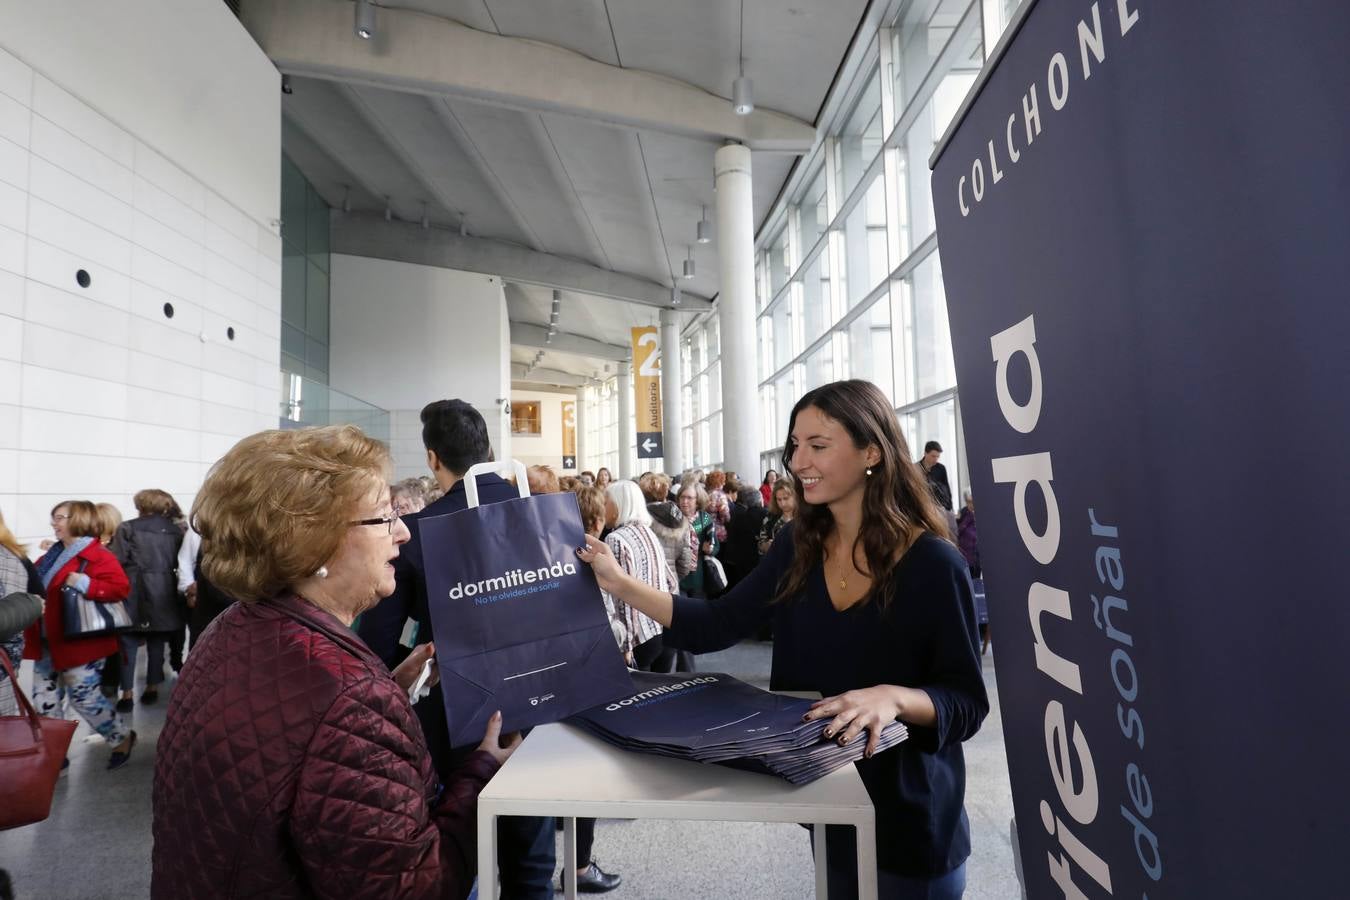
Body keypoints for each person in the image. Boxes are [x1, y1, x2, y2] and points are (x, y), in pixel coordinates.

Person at [577, 380, 988, 900]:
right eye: (796, 445)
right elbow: (715, 624)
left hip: (911, 819)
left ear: (872, 453)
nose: (800, 461)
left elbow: (966, 702)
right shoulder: (799, 544)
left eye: (819, 445)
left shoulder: (932, 563)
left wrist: (896, 697)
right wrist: (619, 583)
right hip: (827, 802)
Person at [152, 425, 519, 899]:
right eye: (385, 517)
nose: (404, 532)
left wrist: (388, 690)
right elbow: (413, 888)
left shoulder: (229, 630)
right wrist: (482, 770)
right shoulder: (348, 696)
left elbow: (295, 744)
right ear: (315, 542)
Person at [356, 399, 557, 900]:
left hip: (450, 725)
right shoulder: (540, 520)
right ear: (489, 449)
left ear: (432, 459)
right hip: (537, 709)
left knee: (456, 859)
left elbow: (378, 648)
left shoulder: (416, 535)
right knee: (530, 862)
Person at [23, 500, 136, 769]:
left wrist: (85, 583)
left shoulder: (97, 555)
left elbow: (120, 589)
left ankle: (121, 737)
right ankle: (55, 754)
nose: (54, 523)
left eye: (60, 517)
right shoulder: (52, 555)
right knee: (45, 700)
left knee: (83, 697)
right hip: (48, 642)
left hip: (81, 643)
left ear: (79, 520)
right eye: (54, 518)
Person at [111, 489, 185, 711]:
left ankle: (126, 693)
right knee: (156, 644)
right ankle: (152, 687)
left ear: (140, 505)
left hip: (133, 590)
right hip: (165, 592)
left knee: (128, 643)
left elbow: (117, 560)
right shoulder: (176, 531)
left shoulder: (127, 527)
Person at [602, 480, 678, 672]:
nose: (602, 508)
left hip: (640, 638)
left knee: (640, 697)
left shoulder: (616, 539)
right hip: (664, 628)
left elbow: (625, 596)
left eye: (606, 502)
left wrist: (626, 646)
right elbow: (670, 582)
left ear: (619, 505)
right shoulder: (649, 533)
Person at [642, 473, 697, 583]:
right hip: (671, 583)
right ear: (665, 491)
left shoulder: (641, 519)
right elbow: (686, 561)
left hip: (646, 583)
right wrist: (675, 576)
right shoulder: (680, 518)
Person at [720, 480, 767, 590]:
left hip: (739, 559)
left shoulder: (739, 515)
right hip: (755, 558)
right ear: (760, 500)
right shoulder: (765, 514)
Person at [675, 480, 719, 599]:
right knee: (680, 613)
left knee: (697, 612)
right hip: (676, 576)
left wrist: (710, 549)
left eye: (689, 498)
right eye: (682, 497)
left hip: (698, 576)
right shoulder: (673, 518)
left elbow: (715, 546)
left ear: (698, 501)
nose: (684, 501)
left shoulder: (704, 519)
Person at [759, 479, 799, 558]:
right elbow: (761, 541)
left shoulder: (804, 516)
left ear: (795, 496)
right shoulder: (771, 517)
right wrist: (766, 546)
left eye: (786, 498)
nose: (783, 503)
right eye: (779, 499)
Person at [917, 441, 953, 512]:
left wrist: (949, 507)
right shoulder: (915, 468)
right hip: (921, 509)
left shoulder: (941, 468)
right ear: (925, 453)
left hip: (940, 508)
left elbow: (946, 489)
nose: (936, 459)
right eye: (933, 456)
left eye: (938, 456)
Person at [703, 471, 732, 543]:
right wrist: (728, 520)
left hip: (705, 528)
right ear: (719, 482)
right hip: (718, 531)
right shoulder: (720, 495)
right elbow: (725, 514)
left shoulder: (705, 494)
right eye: (723, 481)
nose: (724, 483)